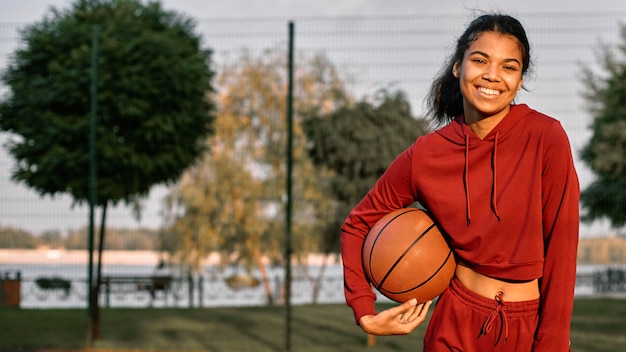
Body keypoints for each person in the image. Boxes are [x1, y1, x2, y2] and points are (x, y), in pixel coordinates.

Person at [340, 13, 579, 352]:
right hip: (454, 323)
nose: (492, 75)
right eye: (480, 60)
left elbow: (562, 246)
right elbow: (356, 225)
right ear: (457, 66)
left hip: (528, 324)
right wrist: (364, 310)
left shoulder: (546, 137)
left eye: (508, 67)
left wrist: (552, 342)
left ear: (521, 78)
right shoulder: (427, 154)